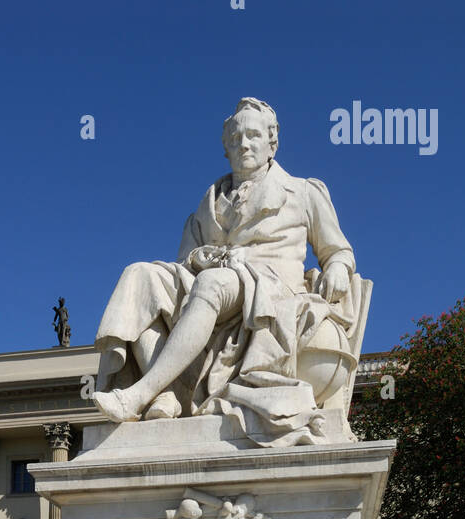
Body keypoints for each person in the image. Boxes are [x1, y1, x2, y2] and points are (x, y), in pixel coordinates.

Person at [92, 97, 357, 446]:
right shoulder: (209, 203)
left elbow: (337, 250)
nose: (244, 144)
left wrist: (338, 268)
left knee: (212, 283)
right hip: (214, 280)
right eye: (235, 139)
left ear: (271, 143)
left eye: (253, 136)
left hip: (271, 290)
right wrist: (204, 257)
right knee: (141, 276)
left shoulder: (304, 192)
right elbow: (183, 262)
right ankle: (167, 394)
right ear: (226, 149)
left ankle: (140, 392)